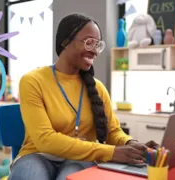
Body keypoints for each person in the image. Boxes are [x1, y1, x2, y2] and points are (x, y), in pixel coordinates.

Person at [8, 13, 158, 180]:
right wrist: (112, 152)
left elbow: (113, 132)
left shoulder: (98, 88)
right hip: (37, 155)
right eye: (89, 42)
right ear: (65, 42)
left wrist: (130, 144)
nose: (95, 50)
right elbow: (45, 139)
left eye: (98, 44)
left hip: (81, 159)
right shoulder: (33, 81)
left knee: (71, 176)